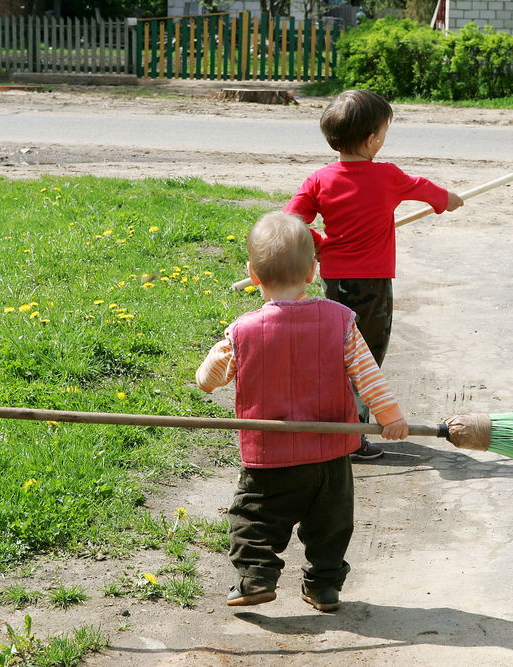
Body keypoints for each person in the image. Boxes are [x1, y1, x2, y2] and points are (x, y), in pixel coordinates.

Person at [196, 212, 409, 612]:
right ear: (313, 271)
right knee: (331, 527)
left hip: (270, 456)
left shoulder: (241, 331)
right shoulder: (340, 320)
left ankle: (255, 577)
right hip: (330, 454)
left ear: (252, 274)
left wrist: (213, 365)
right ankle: (324, 585)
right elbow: (368, 376)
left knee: (254, 521)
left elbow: (208, 379)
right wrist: (390, 418)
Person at [284, 89, 463, 461]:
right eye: (384, 132)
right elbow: (426, 189)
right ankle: (354, 437)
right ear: (372, 140)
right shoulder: (389, 176)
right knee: (365, 357)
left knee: (336, 353)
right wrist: (448, 200)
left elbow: (291, 221)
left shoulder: (318, 180)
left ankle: (332, 425)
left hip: (334, 284)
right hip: (374, 288)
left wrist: (320, 243)